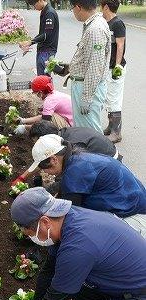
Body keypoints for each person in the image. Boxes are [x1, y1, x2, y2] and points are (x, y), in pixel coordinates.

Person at [11, 187, 146, 300]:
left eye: (31, 234)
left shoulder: (78, 245)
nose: (33, 239)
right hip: (126, 285)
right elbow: (49, 271)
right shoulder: (65, 220)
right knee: (71, 283)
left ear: (45, 222)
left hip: (141, 298)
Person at [27, 134, 146, 237]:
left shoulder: (74, 173)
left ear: (53, 160)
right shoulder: (78, 158)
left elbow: (68, 219)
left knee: (85, 236)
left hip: (134, 218)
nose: (44, 172)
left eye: (43, 168)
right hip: (133, 203)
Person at [55, 0, 111, 134]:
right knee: (84, 129)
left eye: (72, 8)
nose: (72, 11)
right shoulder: (94, 24)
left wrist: (86, 98)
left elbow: (95, 66)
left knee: (90, 131)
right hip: (85, 85)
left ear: (78, 7)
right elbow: (89, 58)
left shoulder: (95, 29)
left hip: (86, 87)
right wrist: (70, 68)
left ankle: (103, 154)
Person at [11, 120, 122, 186]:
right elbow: (44, 159)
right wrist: (23, 177)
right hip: (105, 156)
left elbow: (72, 172)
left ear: (46, 138)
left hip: (111, 163)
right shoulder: (61, 135)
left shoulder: (73, 145)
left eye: (37, 141)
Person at [101, 0, 126, 143]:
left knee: (115, 99)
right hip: (108, 67)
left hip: (116, 68)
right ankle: (111, 126)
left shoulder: (118, 23)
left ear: (106, 7)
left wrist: (117, 66)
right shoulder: (107, 23)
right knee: (109, 98)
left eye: (101, 7)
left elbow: (120, 45)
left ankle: (117, 133)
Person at [19, 0, 59, 75]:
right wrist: (29, 42)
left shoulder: (49, 13)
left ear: (40, 0)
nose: (34, 7)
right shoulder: (45, 11)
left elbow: (47, 35)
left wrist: (30, 42)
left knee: (43, 79)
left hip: (47, 51)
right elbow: (42, 33)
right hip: (44, 50)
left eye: (34, 4)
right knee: (44, 79)